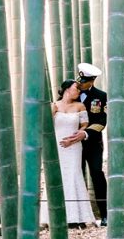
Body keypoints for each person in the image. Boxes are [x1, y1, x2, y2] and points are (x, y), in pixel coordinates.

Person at [40, 79, 97, 229]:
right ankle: (53, 215)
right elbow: (46, 126)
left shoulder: (80, 106)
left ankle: (76, 217)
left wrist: (76, 137)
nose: (78, 91)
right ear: (66, 89)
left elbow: (84, 125)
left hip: (73, 146)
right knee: (57, 177)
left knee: (73, 175)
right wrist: (52, 112)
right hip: (57, 146)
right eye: (76, 88)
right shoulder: (54, 105)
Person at [60, 63, 108, 226]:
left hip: (93, 143)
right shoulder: (71, 93)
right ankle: (76, 217)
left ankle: (105, 214)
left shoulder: (101, 96)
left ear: (92, 81)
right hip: (72, 145)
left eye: (84, 82)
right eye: (79, 81)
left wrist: (85, 133)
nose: (80, 84)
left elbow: (101, 121)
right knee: (75, 176)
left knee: (97, 174)